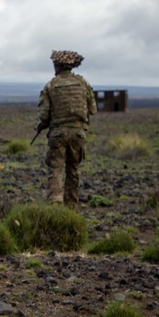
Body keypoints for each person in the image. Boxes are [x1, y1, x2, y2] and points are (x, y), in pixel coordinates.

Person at [36, 50, 97, 209]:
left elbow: (44, 115)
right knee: (73, 169)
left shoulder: (51, 85)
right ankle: (70, 209)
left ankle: (55, 206)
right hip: (78, 134)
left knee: (56, 170)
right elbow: (92, 109)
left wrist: (44, 124)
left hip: (58, 134)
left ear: (59, 66)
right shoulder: (83, 84)